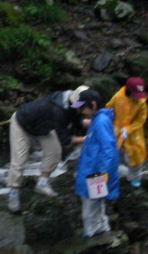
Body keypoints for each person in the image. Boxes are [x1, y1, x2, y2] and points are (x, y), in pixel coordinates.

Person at [7, 85, 89, 213]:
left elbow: (76, 120)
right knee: (20, 160)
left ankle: (42, 183)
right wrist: (86, 139)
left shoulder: (71, 103)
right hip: (22, 124)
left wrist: (91, 123)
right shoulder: (59, 110)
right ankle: (13, 192)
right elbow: (64, 139)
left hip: (43, 127)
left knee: (54, 152)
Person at [71, 89, 120, 237]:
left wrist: (102, 173)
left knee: (89, 208)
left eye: (82, 107)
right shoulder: (98, 120)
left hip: (95, 173)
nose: (80, 111)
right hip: (93, 170)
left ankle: (92, 234)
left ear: (93, 105)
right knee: (97, 204)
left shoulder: (100, 122)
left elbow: (109, 150)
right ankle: (103, 229)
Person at [105, 77, 148, 187]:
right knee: (113, 154)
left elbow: (141, 119)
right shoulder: (118, 97)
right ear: (129, 91)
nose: (138, 98)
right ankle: (113, 176)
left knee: (136, 157)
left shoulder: (141, 102)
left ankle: (134, 178)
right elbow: (108, 109)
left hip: (134, 134)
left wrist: (129, 129)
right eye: (135, 94)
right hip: (116, 131)